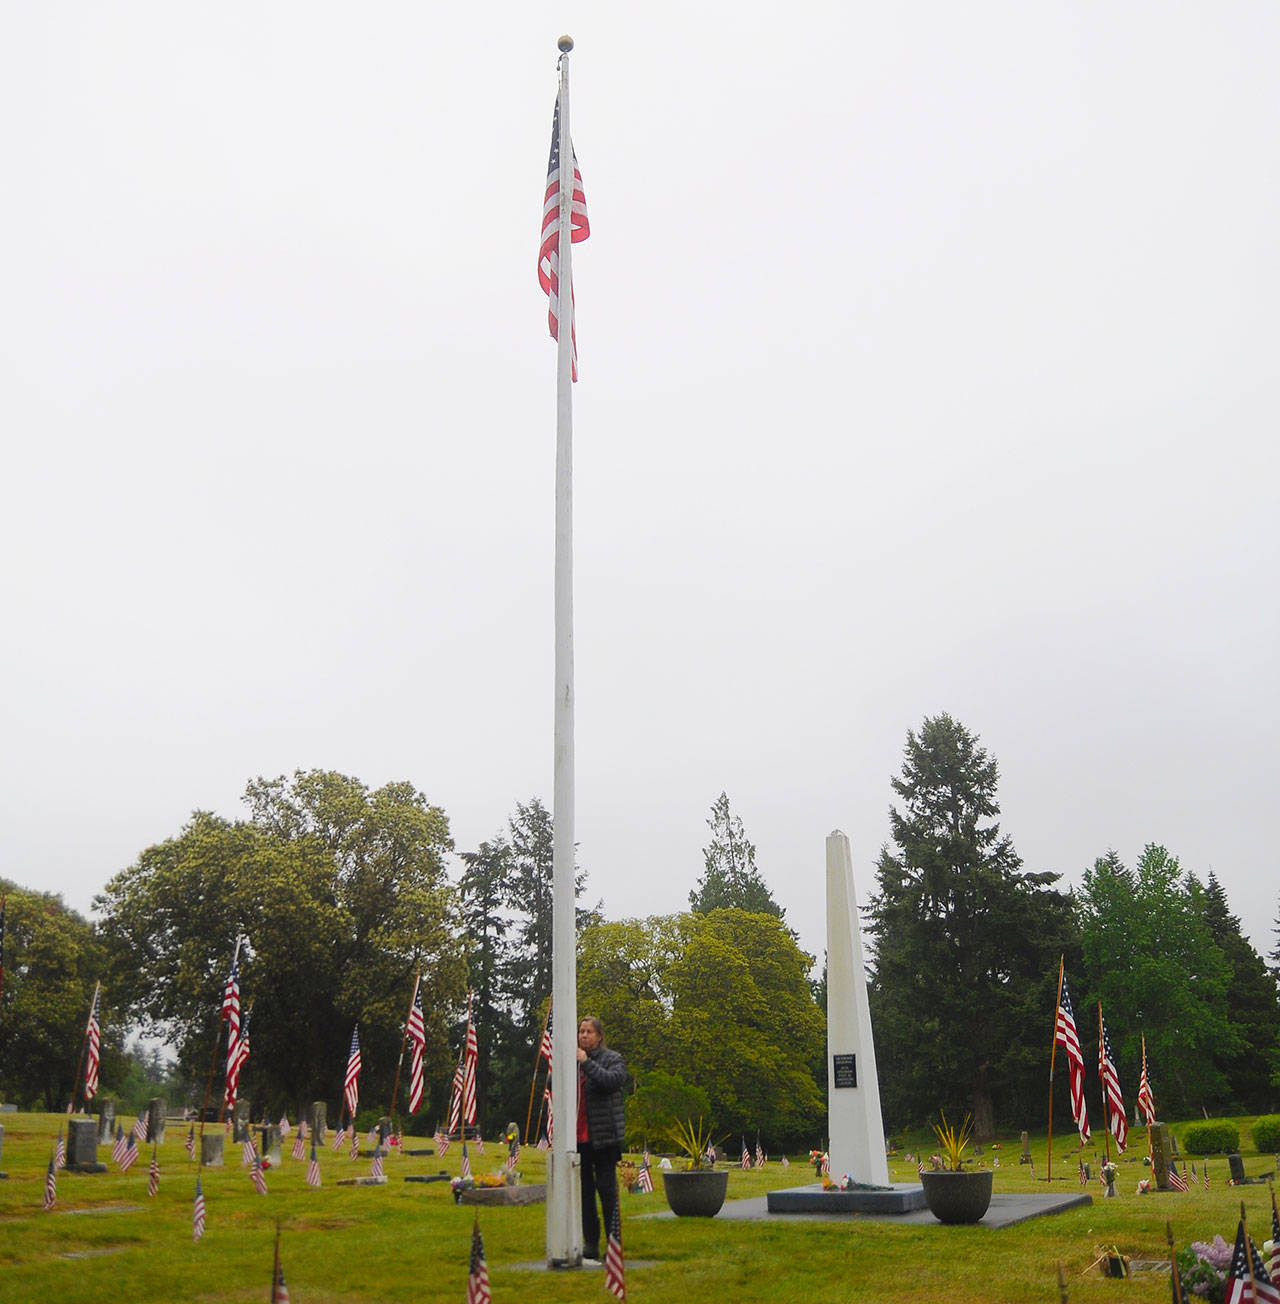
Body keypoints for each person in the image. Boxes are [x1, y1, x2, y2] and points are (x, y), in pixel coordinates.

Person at [575, 1014, 627, 1262]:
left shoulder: (613, 1059)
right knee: (584, 1194)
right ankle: (590, 1243)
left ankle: (614, 1244)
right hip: (580, 1137)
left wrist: (586, 1063)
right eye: (581, 1031)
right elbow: (555, 1083)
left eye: (588, 1032)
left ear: (599, 1036)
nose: (584, 1035)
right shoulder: (573, 1061)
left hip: (604, 1138)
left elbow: (611, 1081)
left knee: (607, 1192)